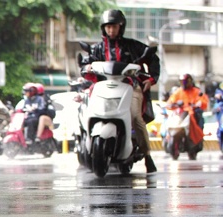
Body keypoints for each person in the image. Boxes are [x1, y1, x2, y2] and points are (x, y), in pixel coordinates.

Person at [80, 9, 159, 173]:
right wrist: (86, 67)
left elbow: (152, 58)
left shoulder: (132, 45)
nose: (111, 30)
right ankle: (84, 145)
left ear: (121, 27)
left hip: (130, 86)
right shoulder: (98, 49)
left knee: (136, 118)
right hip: (103, 87)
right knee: (85, 108)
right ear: (103, 28)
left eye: (114, 26)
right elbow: (86, 64)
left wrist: (150, 80)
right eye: (108, 27)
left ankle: (147, 155)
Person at [166, 73, 209, 146]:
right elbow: (171, 101)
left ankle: (197, 137)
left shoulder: (196, 91)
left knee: (197, 116)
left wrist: (198, 103)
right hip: (181, 114)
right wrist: (171, 104)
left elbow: (203, 100)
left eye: (185, 82)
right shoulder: (178, 92)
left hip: (191, 113)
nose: (183, 84)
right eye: (182, 82)